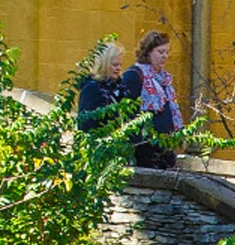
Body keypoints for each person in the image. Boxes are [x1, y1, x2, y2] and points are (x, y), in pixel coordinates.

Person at [119, 30, 183, 169]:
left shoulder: (164, 79)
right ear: (148, 52)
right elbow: (127, 113)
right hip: (144, 149)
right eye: (160, 52)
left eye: (167, 52)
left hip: (164, 147)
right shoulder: (134, 75)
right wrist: (137, 145)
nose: (165, 56)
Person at [74, 40, 126, 130]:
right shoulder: (92, 88)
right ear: (104, 65)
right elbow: (86, 124)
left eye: (120, 65)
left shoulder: (117, 87)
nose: (119, 68)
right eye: (115, 65)